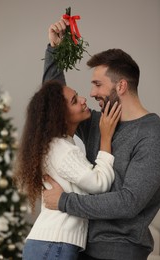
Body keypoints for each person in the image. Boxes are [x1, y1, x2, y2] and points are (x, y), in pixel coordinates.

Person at [42, 18, 160, 260]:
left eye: (98, 84)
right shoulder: (99, 122)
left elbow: (128, 202)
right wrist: (54, 51)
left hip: (120, 251)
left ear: (121, 86)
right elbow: (56, 104)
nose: (92, 93)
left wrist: (65, 201)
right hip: (83, 246)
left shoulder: (152, 134)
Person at [13, 78, 121, 260]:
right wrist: (106, 138)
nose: (83, 100)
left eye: (77, 96)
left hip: (49, 245)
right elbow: (99, 183)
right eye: (74, 101)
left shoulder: (56, 145)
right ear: (59, 115)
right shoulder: (62, 149)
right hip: (54, 245)